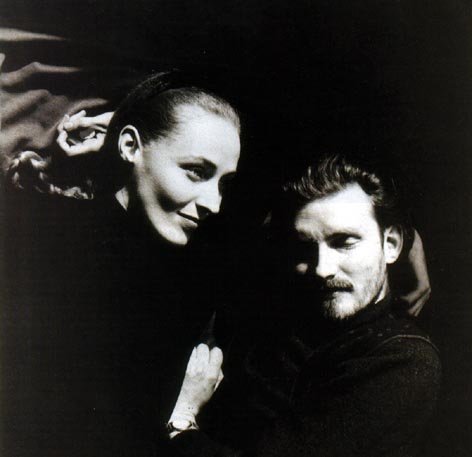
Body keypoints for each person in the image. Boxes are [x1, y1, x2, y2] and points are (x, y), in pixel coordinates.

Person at [2, 71, 241, 457]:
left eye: (223, 183)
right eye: (196, 172)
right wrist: (181, 414)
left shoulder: (190, 283)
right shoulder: (38, 246)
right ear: (130, 146)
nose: (214, 203)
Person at [166, 154, 441, 457]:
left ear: (391, 245)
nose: (322, 269)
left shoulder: (402, 360)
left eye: (344, 242)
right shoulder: (285, 302)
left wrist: (182, 421)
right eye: (306, 247)